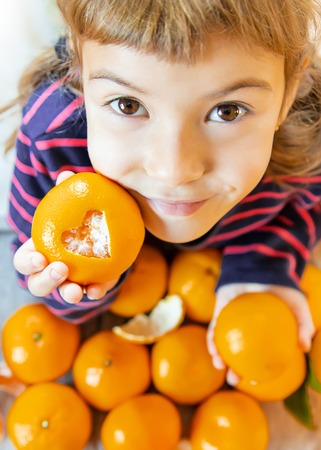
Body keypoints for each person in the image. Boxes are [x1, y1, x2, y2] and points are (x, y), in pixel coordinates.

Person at [5, 0, 321, 379]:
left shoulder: (310, 134)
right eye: (128, 104)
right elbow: (51, 287)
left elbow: (306, 204)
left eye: (229, 111)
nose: (173, 171)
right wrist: (77, 280)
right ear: (80, 67)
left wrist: (262, 264)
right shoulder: (51, 140)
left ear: (290, 92)